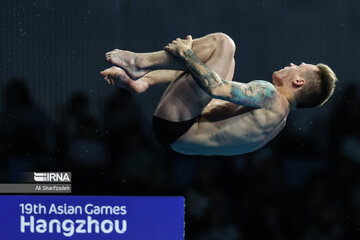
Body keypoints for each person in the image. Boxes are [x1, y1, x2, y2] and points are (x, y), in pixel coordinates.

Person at [100, 33, 337, 156]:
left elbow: (214, 88)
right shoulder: (278, 120)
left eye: (299, 66)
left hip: (177, 124)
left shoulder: (268, 95)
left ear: (298, 81)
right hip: (178, 137)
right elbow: (213, 87)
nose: (292, 63)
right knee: (225, 64)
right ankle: (144, 80)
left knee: (224, 44)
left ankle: (140, 63)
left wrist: (186, 54)